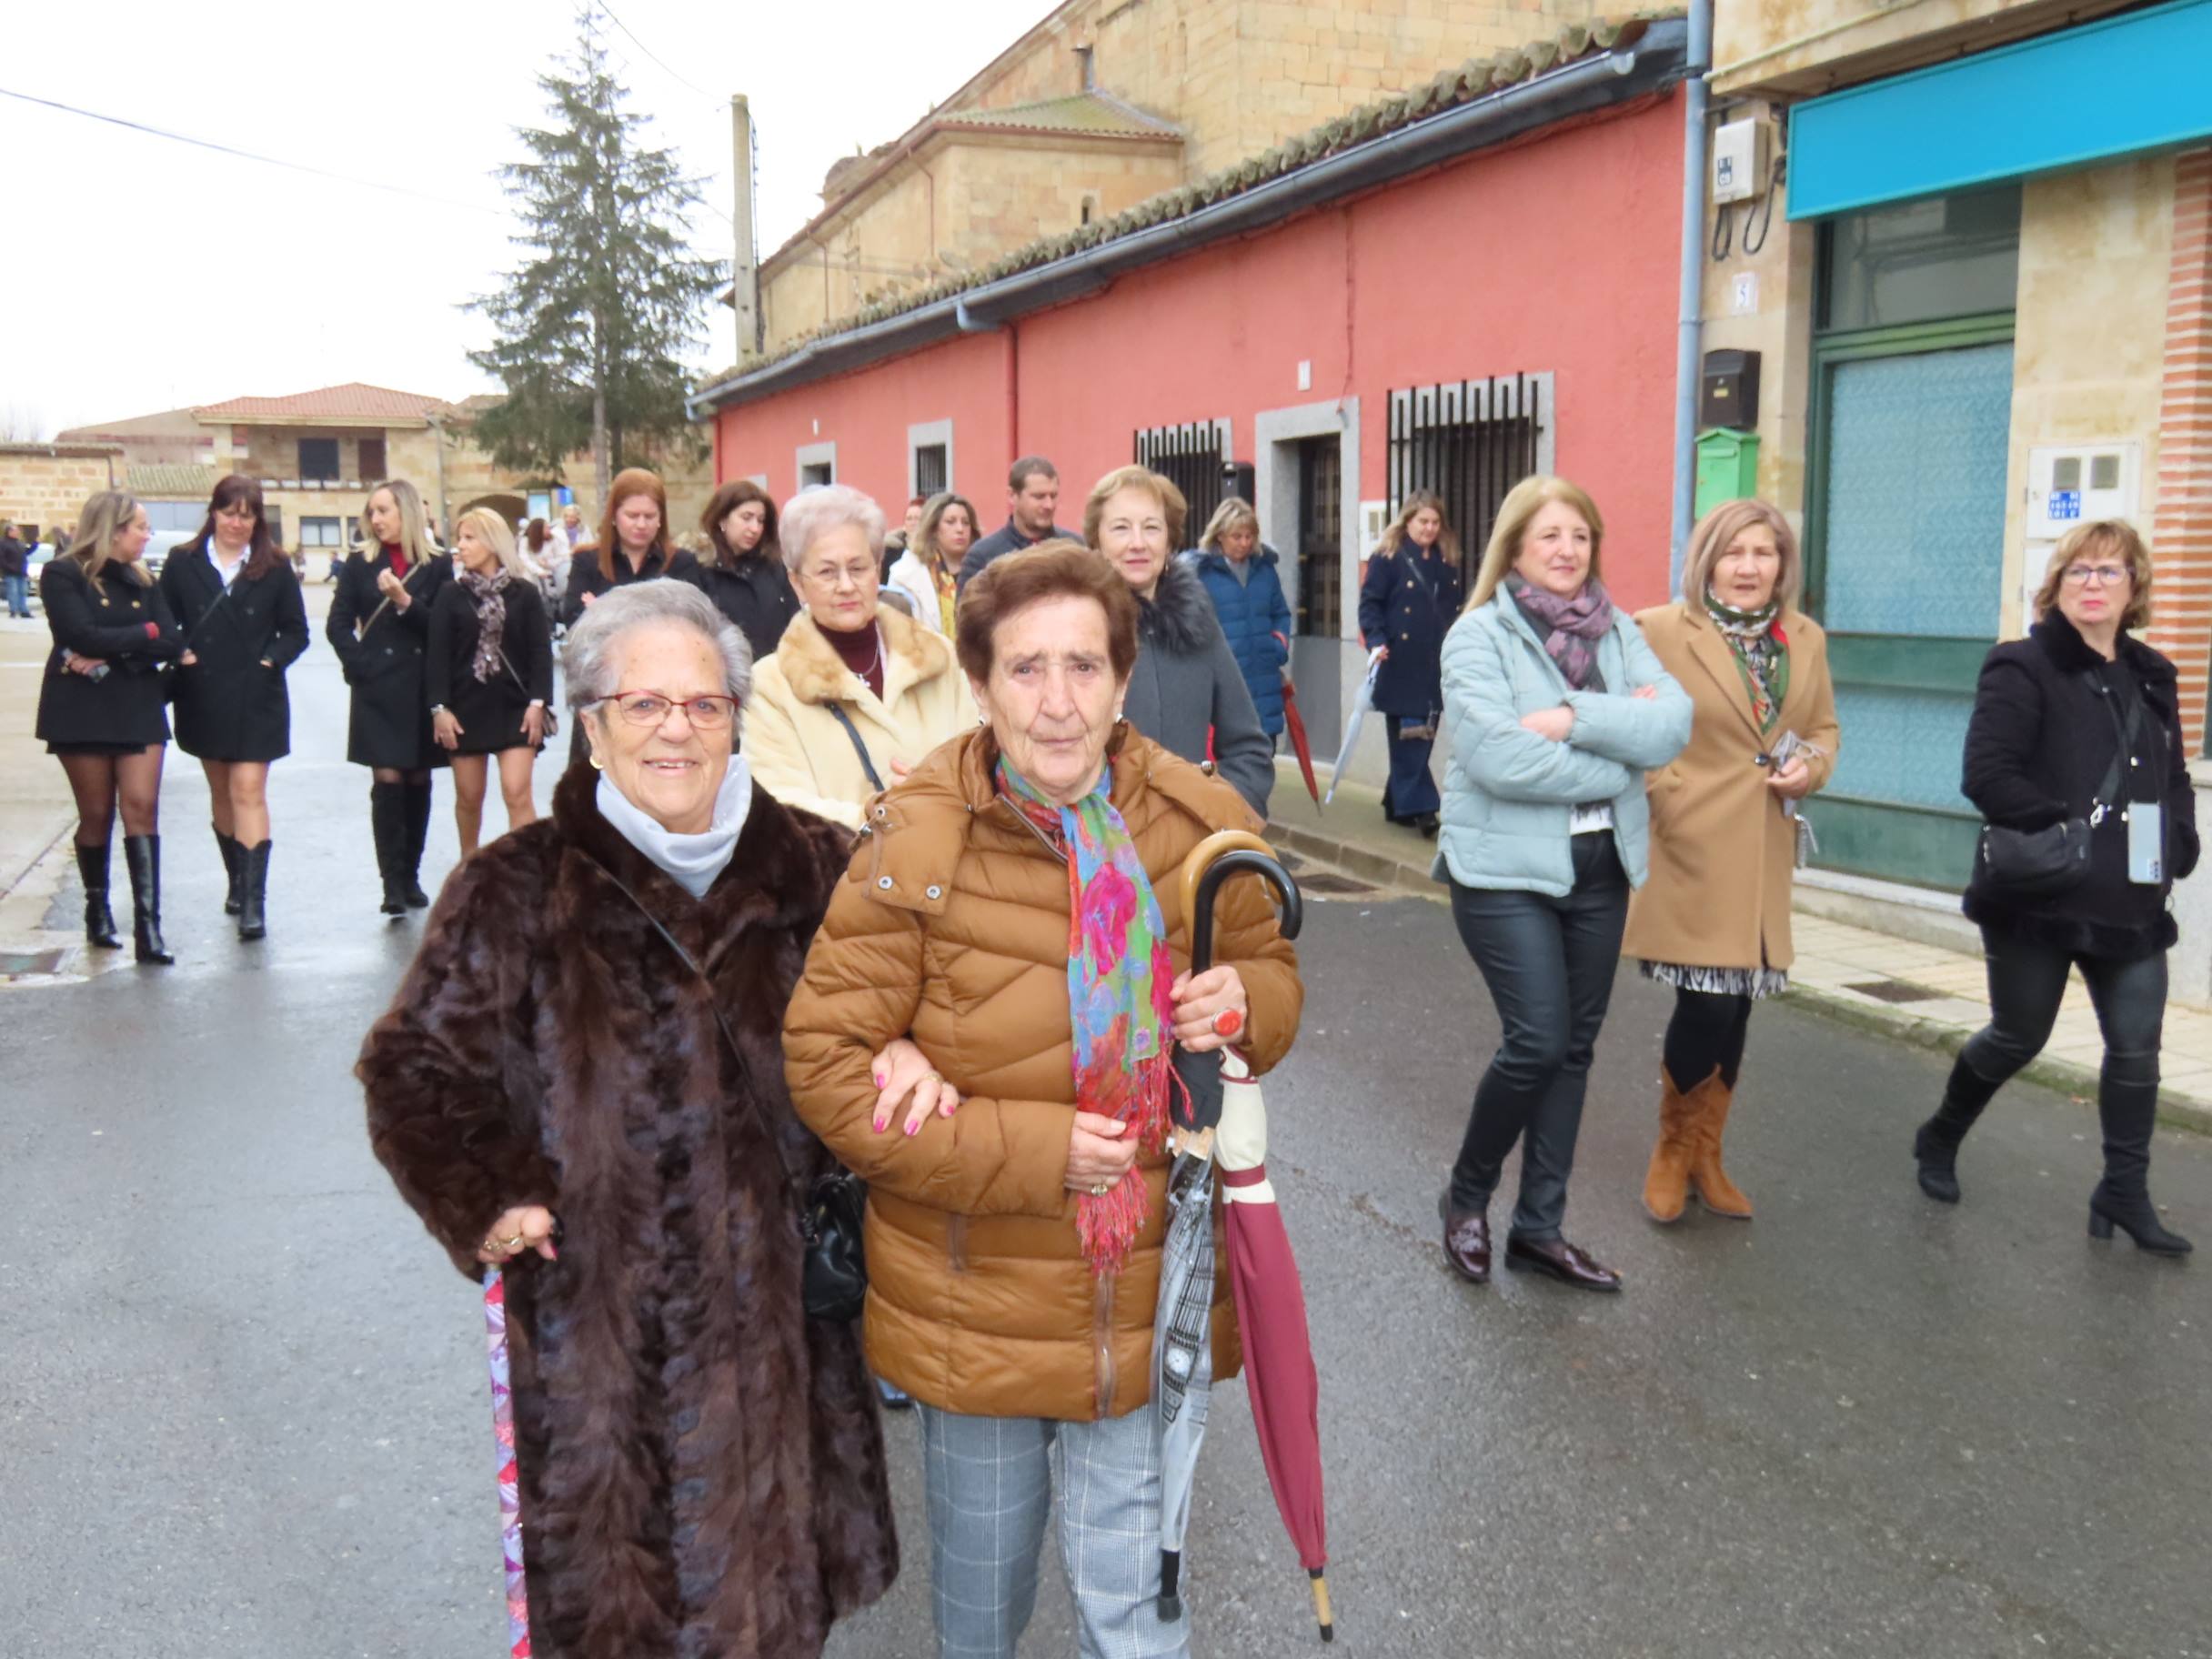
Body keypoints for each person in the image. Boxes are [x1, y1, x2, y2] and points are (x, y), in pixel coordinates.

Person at [359, 579, 938, 1658]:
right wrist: (490, 1197)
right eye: (643, 705)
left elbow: (926, 1002)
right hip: (603, 1342)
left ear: (736, 718)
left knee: (776, 1614)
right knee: (627, 1614)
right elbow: (413, 1066)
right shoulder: (516, 888)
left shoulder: (823, 869)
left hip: (787, 1333)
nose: (676, 728)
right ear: (590, 725)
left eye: (703, 705)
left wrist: (906, 1039)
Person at [784, 544, 1303, 1659]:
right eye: (1024, 670)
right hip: (973, 1302)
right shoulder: (912, 837)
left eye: (1083, 666)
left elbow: (1272, 981)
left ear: (1124, 680)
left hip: (1145, 1288)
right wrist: (1035, 1152)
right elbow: (828, 1064)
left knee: (1134, 1610)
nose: (1057, 703)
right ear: (977, 686)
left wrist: (1240, 1004)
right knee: (981, 1607)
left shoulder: (1197, 820)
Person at [1433, 476, 1691, 1293]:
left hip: (1599, 866)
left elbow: (1674, 724)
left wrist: (1576, 718)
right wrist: (1622, 749)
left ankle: (1538, 1229)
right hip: (1503, 872)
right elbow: (1499, 760)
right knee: (1537, 1040)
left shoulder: (1618, 632)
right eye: (1548, 536)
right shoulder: (1476, 637)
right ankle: (1466, 1198)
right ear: (1514, 546)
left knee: (1573, 1051)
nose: (1566, 551)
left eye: (1579, 536)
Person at [1916, 520, 2197, 1256]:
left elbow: (2169, 772)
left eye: (2110, 571)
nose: (2094, 583)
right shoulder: (2022, 665)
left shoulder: (2152, 673)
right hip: (2038, 894)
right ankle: (1940, 1134)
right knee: (2019, 1036)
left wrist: (2181, 837)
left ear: (2134, 587)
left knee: (2138, 1050)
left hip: (2130, 901)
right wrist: (2068, 830)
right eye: (2079, 571)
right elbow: (1987, 774)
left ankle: (2124, 1192)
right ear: (2057, 584)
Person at [1622, 499, 1838, 1223]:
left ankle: (1709, 1155)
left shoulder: (1803, 639)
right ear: (1707, 559)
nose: (1749, 567)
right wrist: (1665, 794)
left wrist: (1811, 767)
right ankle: (1671, 1149)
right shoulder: (1658, 630)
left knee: (1739, 1003)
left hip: (1765, 848)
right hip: (1692, 845)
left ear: (1783, 565)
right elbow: (1620, 720)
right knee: (1707, 1000)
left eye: (1765, 553)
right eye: (1734, 552)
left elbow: (1822, 728)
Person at [742, 484, 976, 829]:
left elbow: (978, 761)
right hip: (842, 873)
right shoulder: (770, 684)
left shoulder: (936, 656)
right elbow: (779, 805)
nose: (846, 585)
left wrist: (943, 793)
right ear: (796, 583)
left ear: (879, 568)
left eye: (858, 567)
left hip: (949, 863)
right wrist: (873, 813)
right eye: (826, 572)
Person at [35, 490, 184, 963]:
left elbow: (172, 640)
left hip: (138, 703)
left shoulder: (142, 579)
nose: (147, 535)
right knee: (97, 813)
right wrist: (144, 637)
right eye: (140, 526)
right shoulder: (63, 574)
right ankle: (97, 909)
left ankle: (149, 928)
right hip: (83, 708)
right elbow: (78, 635)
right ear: (114, 528)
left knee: (142, 806)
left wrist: (131, 642)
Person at [160, 476, 311, 941]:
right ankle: (236, 879)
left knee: (249, 790)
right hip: (203, 692)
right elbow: (163, 617)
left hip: (257, 693)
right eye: (229, 513)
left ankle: (253, 903)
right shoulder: (183, 563)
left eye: (247, 514)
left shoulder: (275, 566)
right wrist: (179, 651)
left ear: (257, 519)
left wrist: (271, 660)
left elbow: (296, 630)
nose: (237, 523)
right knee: (223, 791)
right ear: (213, 513)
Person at [1087, 465, 1274, 815]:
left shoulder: (1199, 627)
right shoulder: (1074, 632)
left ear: (1170, 540)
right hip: (1095, 853)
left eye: (1152, 528)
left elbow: (1250, 750)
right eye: (1121, 528)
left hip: (1187, 854)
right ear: (1097, 540)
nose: (1138, 543)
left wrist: (1213, 813)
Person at [328, 478, 452, 918]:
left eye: (384, 511)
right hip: (377, 686)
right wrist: (359, 665)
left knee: (418, 779)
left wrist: (403, 600)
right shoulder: (360, 562)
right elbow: (338, 623)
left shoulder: (437, 564)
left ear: (406, 512)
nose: (376, 520)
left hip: (421, 684)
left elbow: (443, 627)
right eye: (372, 512)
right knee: (387, 780)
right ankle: (391, 883)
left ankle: (412, 875)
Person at [427, 508, 552, 857]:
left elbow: (540, 652)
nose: (461, 547)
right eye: (459, 539)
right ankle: (469, 864)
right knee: (469, 797)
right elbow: (437, 656)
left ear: (493, 542)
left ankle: (528, 872)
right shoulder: (450, 595)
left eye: (469, 538)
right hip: (465, 707)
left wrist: (538, 702)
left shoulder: (524, 593)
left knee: (517, 791)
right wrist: (440, 708)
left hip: (516, 706)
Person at [1358, 491, 1466, 836]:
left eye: (1435, 522)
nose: (1430, 529)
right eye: (1423, 521)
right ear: (1408, 521)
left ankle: (1397, 803)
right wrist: (1376, 641)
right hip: (1400, 660)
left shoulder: (1446, 560)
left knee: (1422, 736)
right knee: (1411, 735)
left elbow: (1455, 609)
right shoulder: (1388, 558)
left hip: (1434, 661)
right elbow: (1370, 604)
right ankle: (1425, 809)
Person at [1188, 497, 1293, 746]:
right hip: (1225, 686)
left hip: (1265, 679)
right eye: (1237, 536)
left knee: (1264, 760)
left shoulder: (1265, 570)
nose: (1245, 543)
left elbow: (1281, 613)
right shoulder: (1201, 574)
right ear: (1220, 535)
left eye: (1250, 536)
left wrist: (1277, 645)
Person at [558, 468, 698, 625]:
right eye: (632, 516)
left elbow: (691, 621)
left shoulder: (681, 562)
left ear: (661, 518)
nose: (641, 524)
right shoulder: (587, 561)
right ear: (613, 515)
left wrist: (601, 609)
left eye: (650, 516)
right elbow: (574, 620)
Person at [684, 478, 800, 659]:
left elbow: (795, 623)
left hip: (772, 675)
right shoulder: (698, 567)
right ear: (722, 519)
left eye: (761, 521)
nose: (755, 528)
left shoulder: (773, 566)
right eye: (746, 518)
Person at [955, 456, 1080, 590]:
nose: (1049, 505)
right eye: (1039, 497)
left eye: (1053, 496)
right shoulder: (982, 556)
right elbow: (967, 610)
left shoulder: (1076, 548)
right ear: (1012, 496)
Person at [886, 490, 972, 637]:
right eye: (950, 522)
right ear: (932, 528)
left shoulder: (982, 568)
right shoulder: (906, 574)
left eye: (965, 522)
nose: (960, 529)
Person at [1, 520, 30, 618]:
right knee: (12, 592)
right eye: (15, 530)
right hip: (10, 572)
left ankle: (24, 611)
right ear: (9, 532)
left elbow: (25, 554)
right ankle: (13, 610)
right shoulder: (3, 543)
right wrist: (9, 567)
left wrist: (34, 545)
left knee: (23, 591)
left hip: (22, 572)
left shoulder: (19, 543)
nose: (18, 532)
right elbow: (2, 558)